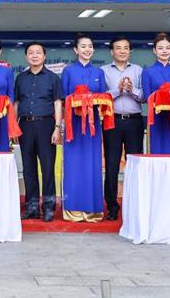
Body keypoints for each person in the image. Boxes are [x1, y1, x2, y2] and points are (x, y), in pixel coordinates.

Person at [60, 33, 107, 223]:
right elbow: (64, 98)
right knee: (73, 164)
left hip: (93, 125)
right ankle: (73, 209)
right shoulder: (68, 71)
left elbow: (103, 98)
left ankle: (93, 209)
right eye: (83, 46)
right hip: (74, 123)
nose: (87, 49)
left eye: (90, 46)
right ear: (75, 50)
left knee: (93, 164)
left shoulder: (99, 73)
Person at [14, 42, 63, 222]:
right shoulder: (20, 78)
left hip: (46, 125)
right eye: (31, 53)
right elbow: (16, 104)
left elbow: (58, 103)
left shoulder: (52, 78)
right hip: (25, 126)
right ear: (26, 56)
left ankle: (49, 207)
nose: (34, 55)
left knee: (48, 168)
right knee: (28, 169)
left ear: (44, 56)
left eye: (38, 53)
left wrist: (57, 128)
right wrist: (14, 127)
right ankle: (32, 208)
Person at [101, 36, 143, 222]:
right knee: (111, 164)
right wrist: (118, 90)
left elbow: (144, 97)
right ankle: (111, 206)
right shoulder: (103, 71)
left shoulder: (138, 70)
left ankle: (135, 203)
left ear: (130, 51)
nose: (122, 51)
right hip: (112, 121)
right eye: (118, 48)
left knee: (135, 163)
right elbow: (101, 96)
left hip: (134, 121)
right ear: (112, 52)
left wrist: (132, 89)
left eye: (126, 48)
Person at [141, 33, 170, 154]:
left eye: (167, 48)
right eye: (160, 48)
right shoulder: (147, 72)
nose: (164, 51)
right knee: (158, 150)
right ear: (154, 50)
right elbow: (147, 97)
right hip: (157, 117)